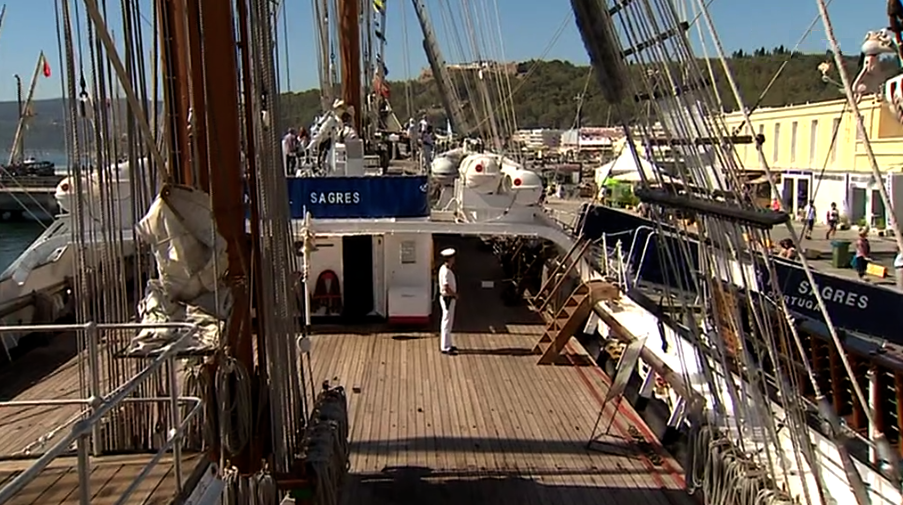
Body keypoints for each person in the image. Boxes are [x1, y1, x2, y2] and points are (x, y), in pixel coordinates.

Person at [438, 248, 458, 355]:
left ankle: (448, 344)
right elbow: (446, 287)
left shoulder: (443, 268)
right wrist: (455, 294)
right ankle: (445, 347)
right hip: (448, 298)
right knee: (446, 322)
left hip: (447, 298)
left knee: (448, 322)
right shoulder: (446, 271)